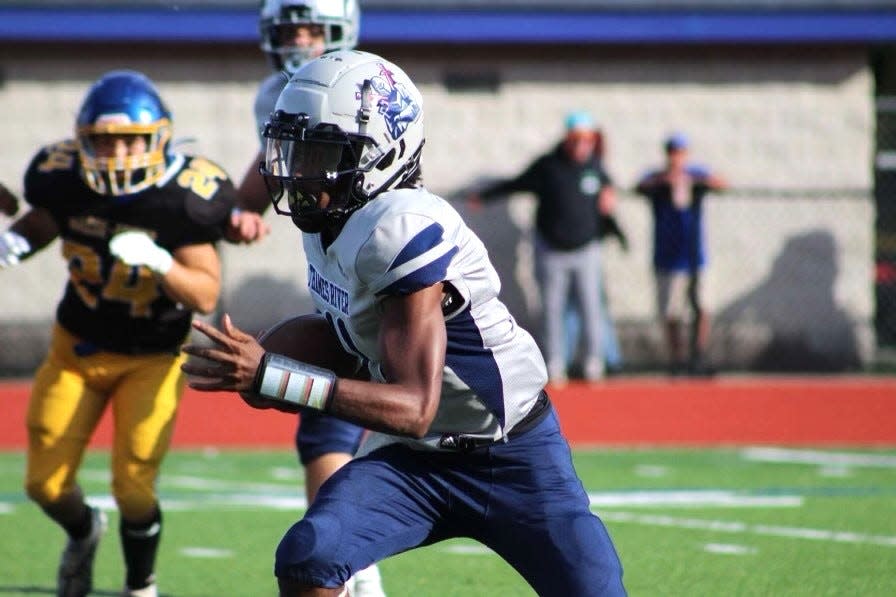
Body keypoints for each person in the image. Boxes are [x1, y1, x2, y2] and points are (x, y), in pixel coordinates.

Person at [181, 50, 626, 597]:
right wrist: (258, 359)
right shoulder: (330, 218)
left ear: (381, 154)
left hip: (513, 453)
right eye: (296, 150)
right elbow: (353, 338)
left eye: (319, 152)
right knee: (309, 557)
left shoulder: (402, 224)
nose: (299, 170)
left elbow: (415, 406)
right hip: (415, 464)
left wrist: (272, 374)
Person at [0, 70, 237, 597]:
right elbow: (45, 220)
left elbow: (203, 293)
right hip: (77, 349)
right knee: (44, 484)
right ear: (83, 142)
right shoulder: (61, 177)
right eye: (105, 142)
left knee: (134, 486)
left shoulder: (184, 196)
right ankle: (84, 532)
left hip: (153, 356)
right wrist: (13, 243)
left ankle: (140, 584)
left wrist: (158, 262)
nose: (119, 154)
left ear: (160, 138)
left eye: (131, 139)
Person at [229, 3, 385, 595]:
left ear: (339, 33)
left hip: (373, 261)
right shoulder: (275, 92)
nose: (297, 41)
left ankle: (349, 555)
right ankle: (350, 558)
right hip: (331, 268)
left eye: (310, 30)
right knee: (327, 417)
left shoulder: (362, 85)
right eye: (287, 31)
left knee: (382, 406)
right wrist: (233, 209)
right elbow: (275, 166)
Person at [468, 110, 617, 384]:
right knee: (552, 308)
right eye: (577, 140)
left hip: (587, 251)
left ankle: (594, 362)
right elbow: (516, 183)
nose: (582, 146)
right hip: (552, 251)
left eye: (587, 140)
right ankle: (555, 363)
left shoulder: (595, 167)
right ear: (568, 138)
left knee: (591, 307)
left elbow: (607, 197)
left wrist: (613, 216)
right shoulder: (549, 166)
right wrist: (484, 196)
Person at [635, 131, 728, 376]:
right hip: (668, 257)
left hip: (695, 255)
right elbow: (640, 186)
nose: (676, 158)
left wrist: (694, 182)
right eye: (673, 153)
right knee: (671, 311)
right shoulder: (658, 179)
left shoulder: (695, 175)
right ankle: (677, 358)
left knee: (702, 306)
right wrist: (666, 182)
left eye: (680, 153)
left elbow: (721, 183)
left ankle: (698, 355)